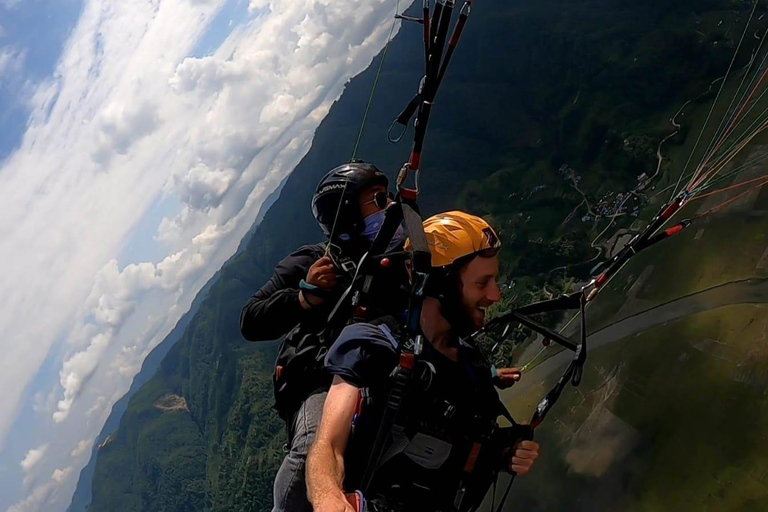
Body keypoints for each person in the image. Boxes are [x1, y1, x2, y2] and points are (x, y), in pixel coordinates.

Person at [307, 211, 540, 512]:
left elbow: (463, 442)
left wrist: (507, 453)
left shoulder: (470, 360)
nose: (495, 295)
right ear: (439, 287)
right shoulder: (375, 344)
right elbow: (328, 443)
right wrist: (328, 497)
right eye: (482, 284)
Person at [239, 160, 409, 512]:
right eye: (378, 200)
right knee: (315, 447)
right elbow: (250, 320)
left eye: (388, 197)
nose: (389, 206)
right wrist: (303, 297)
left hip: (385, 365)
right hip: (323, 378)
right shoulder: (318, 261)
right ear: (346, 218)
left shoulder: (400, 252)